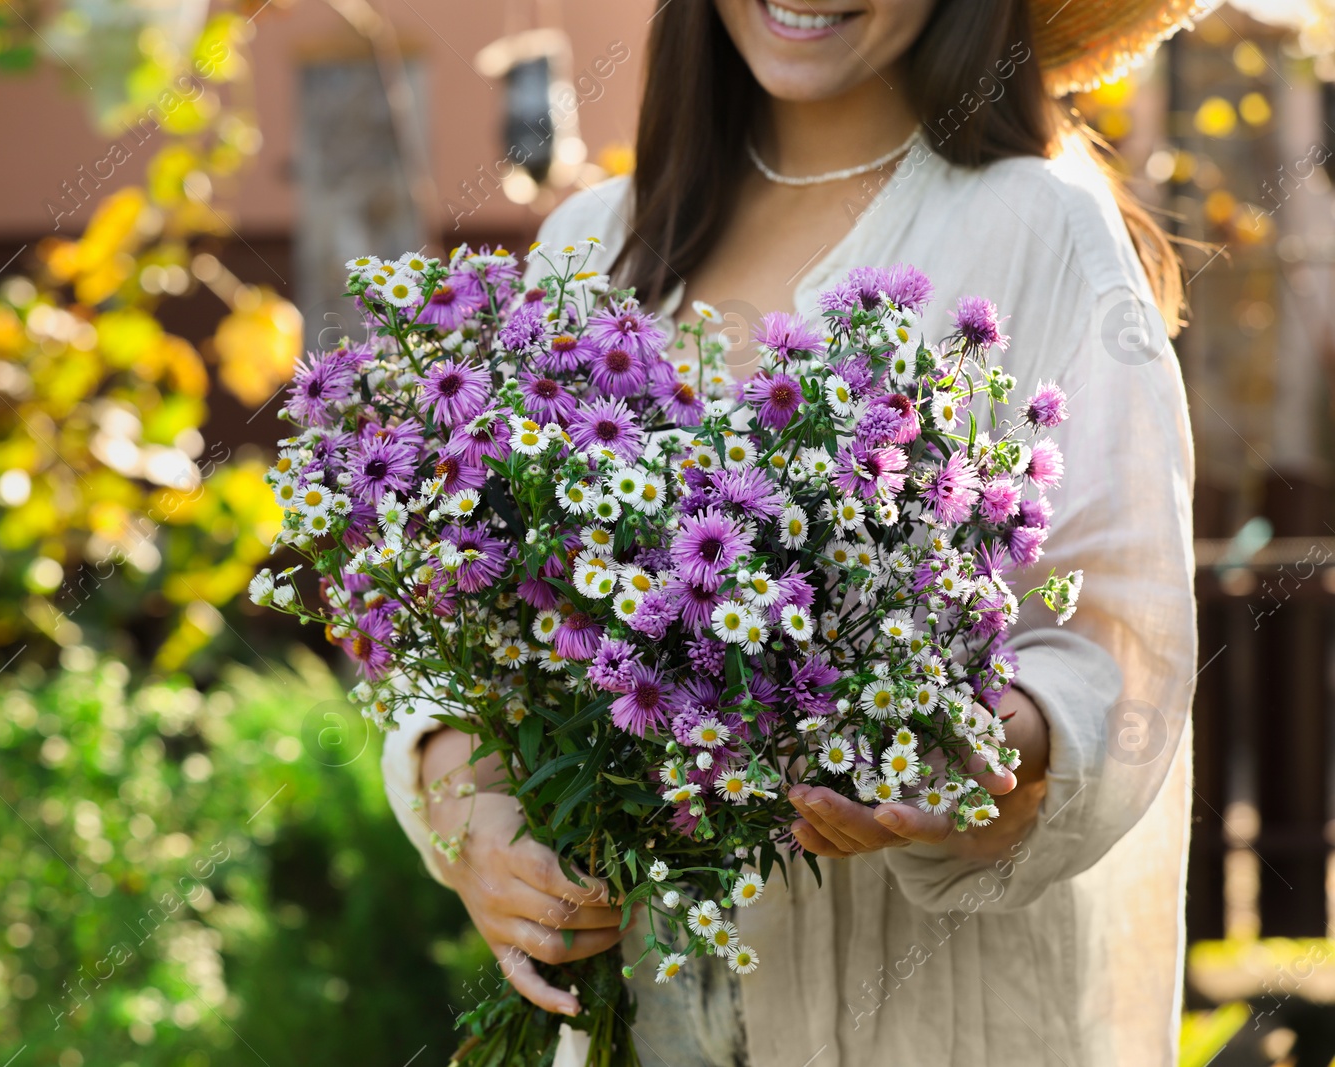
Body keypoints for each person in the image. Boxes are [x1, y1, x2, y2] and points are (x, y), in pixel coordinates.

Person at [382, 2, 1201, 1064]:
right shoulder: (587, 246)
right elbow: (470, 611)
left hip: (936, 1016)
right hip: (650, 1006)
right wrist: (477, 819)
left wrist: (968, 743)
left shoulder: (1040, 226)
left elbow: (1118, 625)